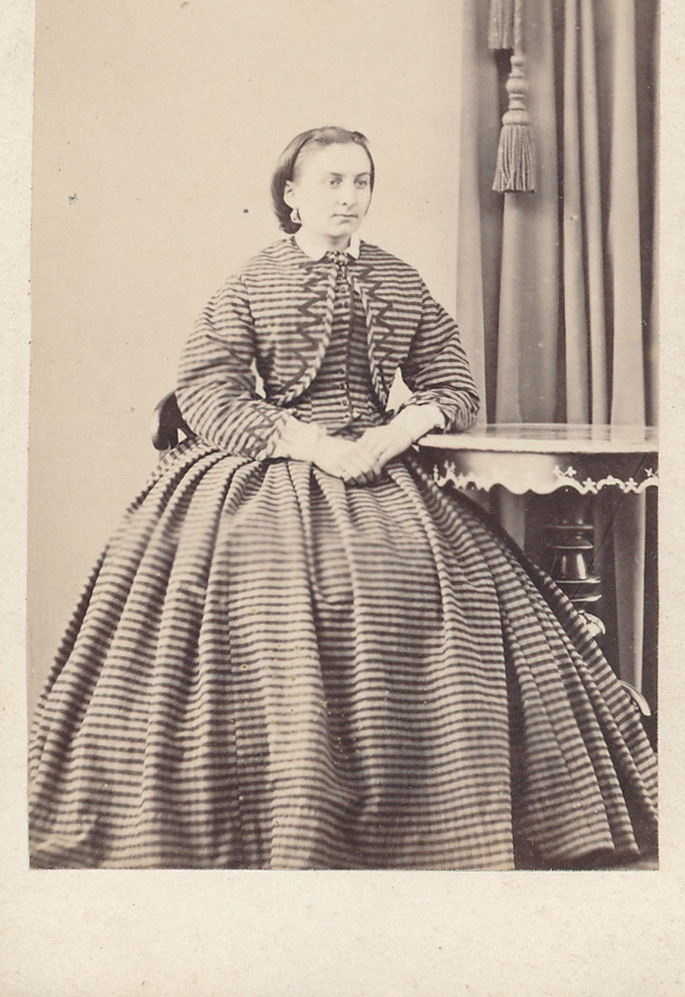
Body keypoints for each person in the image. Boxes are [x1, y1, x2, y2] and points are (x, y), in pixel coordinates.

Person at [29, 126, 657, 871]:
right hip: (267, 466)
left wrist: (392, 436)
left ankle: (435, 813)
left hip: (380, 463)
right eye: (331, 181)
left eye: (361, 181)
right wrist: (315, 446)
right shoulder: (251, 281)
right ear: (291, 195)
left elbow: (452, 384)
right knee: (260, 588)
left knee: (440, 585)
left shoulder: (398, 278)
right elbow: (207, 389)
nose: (349, 197)